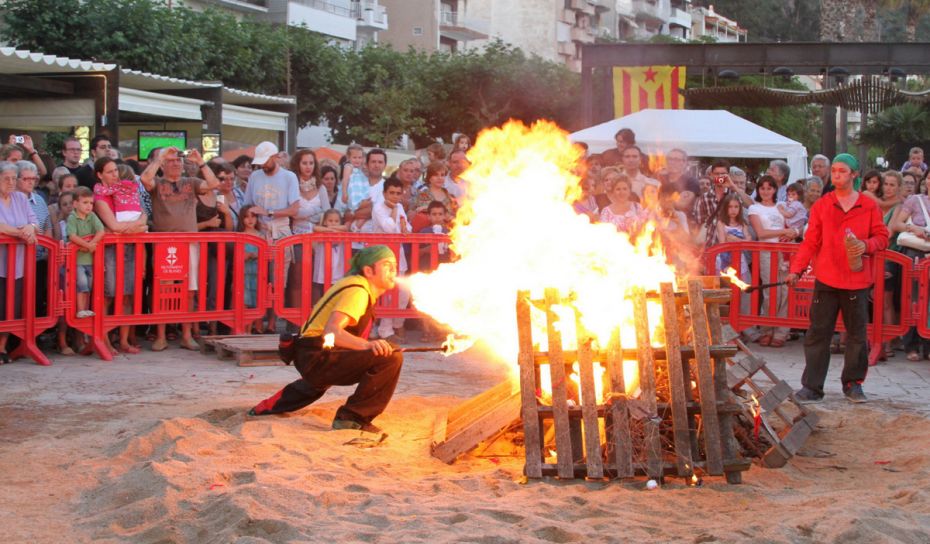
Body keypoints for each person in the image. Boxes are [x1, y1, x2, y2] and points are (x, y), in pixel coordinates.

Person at [248, 245, 404, 435]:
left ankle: (267, 407)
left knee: (317, 381)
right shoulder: (358, 291)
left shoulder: (356, 285)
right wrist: (368, 345)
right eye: (387, 265)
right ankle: (352, 418)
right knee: (390, 357)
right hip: (317, 355)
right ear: (369, 271)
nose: (394, 271)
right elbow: (332, 332)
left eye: (395, 265)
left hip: (310, 355)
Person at [789, 154, 889, 403]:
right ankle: (812, 387)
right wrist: (796, 269)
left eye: (842, 171)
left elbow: (882, 237)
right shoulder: (823, 205)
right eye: (834, 170)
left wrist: (865, 245)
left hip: (857, 281)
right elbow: (810, 241)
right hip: (826, 278)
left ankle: (853, 385)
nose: (836, 175)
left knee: (856, 335)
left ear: (854, 175)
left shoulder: (869, 205)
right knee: (817, 333)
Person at [141, 146, 219, 350]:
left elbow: (213, 184)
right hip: (164, 245)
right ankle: (161, 336)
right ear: (164, 164)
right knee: (162, 289)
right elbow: (144, 180)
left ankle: (186, 335)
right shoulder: (158, 183)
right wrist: (159, 158)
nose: (176, 163)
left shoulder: (190, 183)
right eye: (171, 160)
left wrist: (201, 161)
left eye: (178, 160)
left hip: (189, 242)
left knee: (189, 290)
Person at [93, 157, 148, 354]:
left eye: (116, 170)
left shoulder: (127, 189)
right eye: (110, 172)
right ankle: (104, 339)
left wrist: (134, 226)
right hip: (109, 251)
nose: (115, 175)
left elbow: (144, 215)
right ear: (99, 175)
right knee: (108, 294)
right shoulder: (99, 198)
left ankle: (124, 341)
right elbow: (115, 226)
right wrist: (138, 227)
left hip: (130, 247)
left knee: (128, 295)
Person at [749, 175, 799, 348]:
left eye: (769, 188)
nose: (765, 191)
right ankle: (766, 329)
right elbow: (761, 233)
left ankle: (781, 332)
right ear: (758, 190)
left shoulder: (781, 207)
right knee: (770, 291)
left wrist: (793, 232)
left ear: (775, 190)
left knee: (785, 290)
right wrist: (782, 233)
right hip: (767, 251)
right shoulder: (754, 208)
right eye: (762, 188)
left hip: (784, 250)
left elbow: (794, 223)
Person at [0, 161, 38, 364]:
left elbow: (34, 222)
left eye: (14, 178)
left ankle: (2, 347)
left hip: (19, 264)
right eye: (6, 178)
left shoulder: (21, 198)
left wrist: (30, 228)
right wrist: (19, 232)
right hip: (0, 263)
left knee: (11, 307)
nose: (11, 182)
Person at [371, 178, 410, 343]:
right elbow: (389, 229)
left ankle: (396, 323)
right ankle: (385, 331)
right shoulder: (378, 207)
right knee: (387, 294)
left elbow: (407, 228)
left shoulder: (400, 206)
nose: (395, 197)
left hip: (397, 255)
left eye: (398, 193)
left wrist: (403, 225)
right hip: (382, 255)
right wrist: (395, 214)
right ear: (384, 193)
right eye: (392, 193)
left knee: (403, 292)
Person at [67, 186, 105, 322]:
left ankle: (85, 309)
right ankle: (80, 309)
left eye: (91, 203)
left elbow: (101, 231)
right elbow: (72, 236)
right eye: (85, 203)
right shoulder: (72, 217)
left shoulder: (92, 216)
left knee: (89, 285)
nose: (89, 206)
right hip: (77, 261)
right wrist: (88, 245)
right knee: (81, 284)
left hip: (90, 259)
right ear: (75, 204)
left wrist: (91, 244)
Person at [312, 209, 348, 302]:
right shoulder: (321, 232)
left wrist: (332, 230)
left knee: (336, 294)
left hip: (337, 269)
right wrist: (330, 230)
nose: (333, 223)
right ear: (324, 221)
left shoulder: (342, 232)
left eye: (336, 221)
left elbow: (346, 227)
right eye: (330, 221)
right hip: (323, 269)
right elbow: (315, 228)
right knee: (323, 293)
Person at [238, 205, 264, 334]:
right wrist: (247, 255)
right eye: (246, 217)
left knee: (257, 300)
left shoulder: (261, 235)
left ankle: (256, 327)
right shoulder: (240, 236)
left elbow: (266, 254)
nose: (250, 219)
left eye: (253, 216)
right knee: (244, 300)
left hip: (258, 273)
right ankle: (244, 329)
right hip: (244, 274)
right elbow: (238, 255)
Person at [657, 148, 700, 214]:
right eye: (670, 159)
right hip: (657, 220)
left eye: (677, 160)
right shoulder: (660, 179)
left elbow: (681, 205)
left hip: (683, 221)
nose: (672, 162)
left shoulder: (691, 181)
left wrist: (658, 201)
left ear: (684, 163)